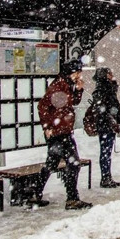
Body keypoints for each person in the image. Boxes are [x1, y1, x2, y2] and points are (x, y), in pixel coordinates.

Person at [34, 59, 92, 210]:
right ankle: (72, 199)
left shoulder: (65, 85)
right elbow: (43, 106)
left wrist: (79, 89)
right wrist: (47, 126)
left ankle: (35, 193)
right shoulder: (59, 85)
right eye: (77, 72)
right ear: (70, 72)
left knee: (52, 164)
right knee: (73, 163)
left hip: (62, 131)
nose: (78, 75)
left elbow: (71, 103)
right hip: (59, 132)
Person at [90, 67, 120, 188]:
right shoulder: (101, 90)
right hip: (106, 125)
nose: (112, 75)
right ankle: (105, 177)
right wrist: (113, 121)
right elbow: (103, 110)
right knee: (105, 151)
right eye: (109, 73)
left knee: (107, 151)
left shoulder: (107, 89)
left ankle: (107, 176)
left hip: (108, 124)